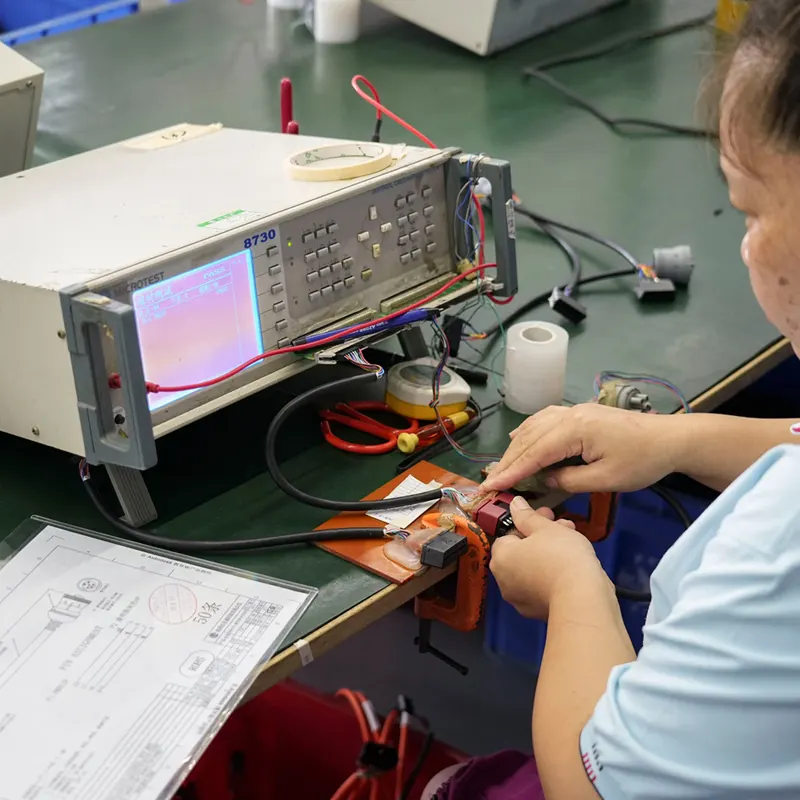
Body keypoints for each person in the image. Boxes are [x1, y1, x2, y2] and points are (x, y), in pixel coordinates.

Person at [425, 1, 800, 797]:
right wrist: (677, 442)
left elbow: (590, 784)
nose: (743, 243)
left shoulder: (780, 552)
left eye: (751, 209)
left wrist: (571, 590)